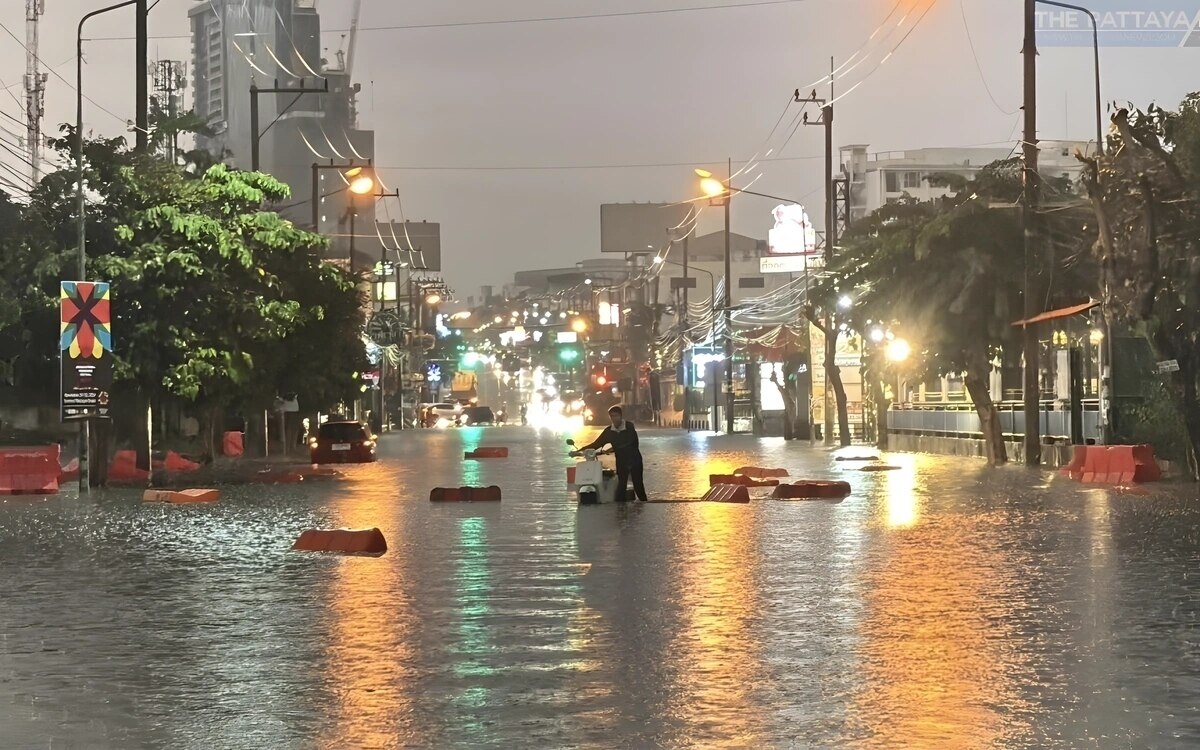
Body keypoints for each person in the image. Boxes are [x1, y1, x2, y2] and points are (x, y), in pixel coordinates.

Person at [571, 405, 648, 502]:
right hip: (622, 462)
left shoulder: (629, 426)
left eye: (616, 416)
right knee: (621, 487)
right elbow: (596, 444)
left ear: (621, 416)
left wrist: (612, 448)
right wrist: (579, 451)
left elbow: (630, 441)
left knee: (638, 485)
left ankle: (643, 504)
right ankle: (620, 511)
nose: (614, 418)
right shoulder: (609, 431)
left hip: (634, 460)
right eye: (612, 416)